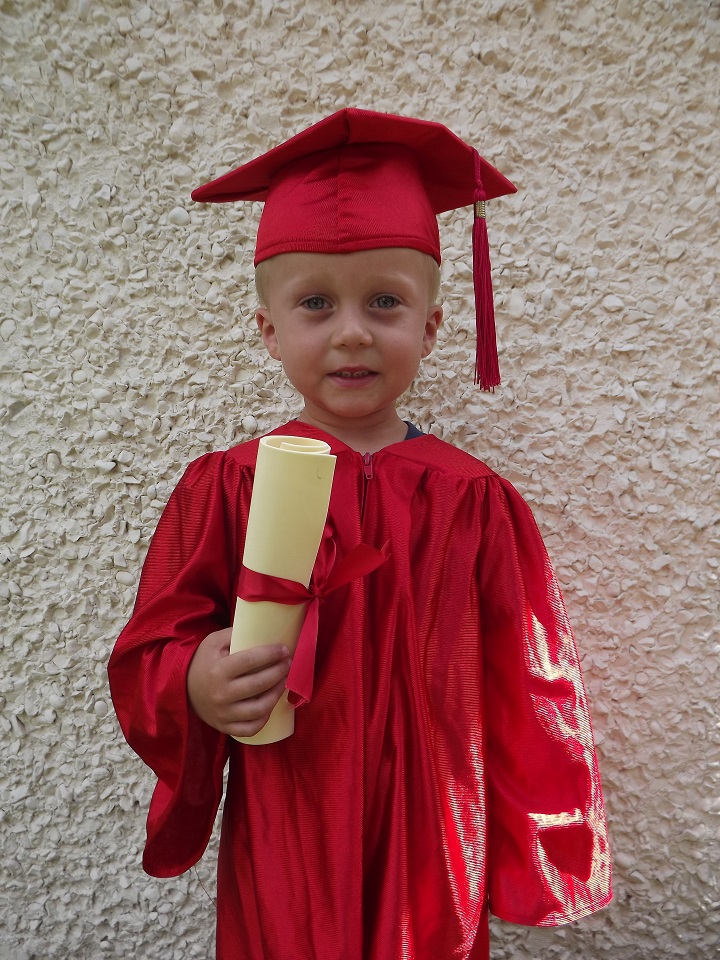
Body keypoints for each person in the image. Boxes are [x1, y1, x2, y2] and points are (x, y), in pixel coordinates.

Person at [108, 108, 611, 960]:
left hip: (434, 822)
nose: (351, 329)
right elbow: (151, 642)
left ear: (432, 327)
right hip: (289, 809)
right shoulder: (229, 483)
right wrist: (195, 678)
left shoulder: (475, 499)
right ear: (268, 331)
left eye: (386, 301)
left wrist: (540, 848)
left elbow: (530, 679)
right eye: (314, 303)